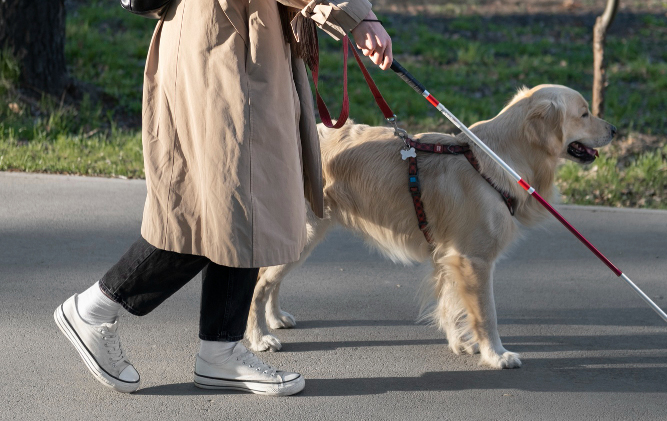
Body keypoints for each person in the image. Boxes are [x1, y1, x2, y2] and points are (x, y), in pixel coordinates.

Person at [54, 0, 392, 396]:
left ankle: (219, 350)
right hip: (226, 47)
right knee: (226, 204)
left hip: (227, 40)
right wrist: (355, 16)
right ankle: (96, 307)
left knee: (229, 206)